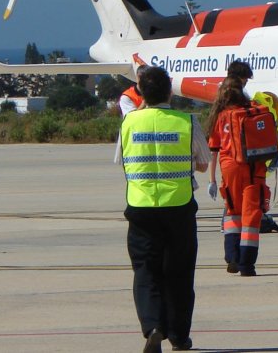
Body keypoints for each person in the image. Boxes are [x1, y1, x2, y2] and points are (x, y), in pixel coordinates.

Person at [115, 65, 210, 353]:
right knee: (179, 274)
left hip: (141, 207)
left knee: (146, 271)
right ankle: (179, 336)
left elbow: (122, 161)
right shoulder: (186, 122)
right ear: (171, 91)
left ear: (141, 92)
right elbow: (204, 163)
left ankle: (153, 326)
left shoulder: (129, 123)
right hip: (178, 207)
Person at [206, 77, 270, 276]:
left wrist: (213, 180)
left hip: (229, 169)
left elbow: (214, 149)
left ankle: (232, 257)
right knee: (251, 217)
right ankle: (247, 265)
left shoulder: (220, 116)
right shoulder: (252, 111)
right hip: (254, 170)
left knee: (232, 212)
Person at [223, 59, 278, 234]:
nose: (245, 82)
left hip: (232, 160)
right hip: (240, 159)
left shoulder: (227, 99)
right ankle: (241, 229)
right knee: (241, 202)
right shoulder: (234, 101)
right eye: (245, 79)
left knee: (234, 201)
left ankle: (233, 230)